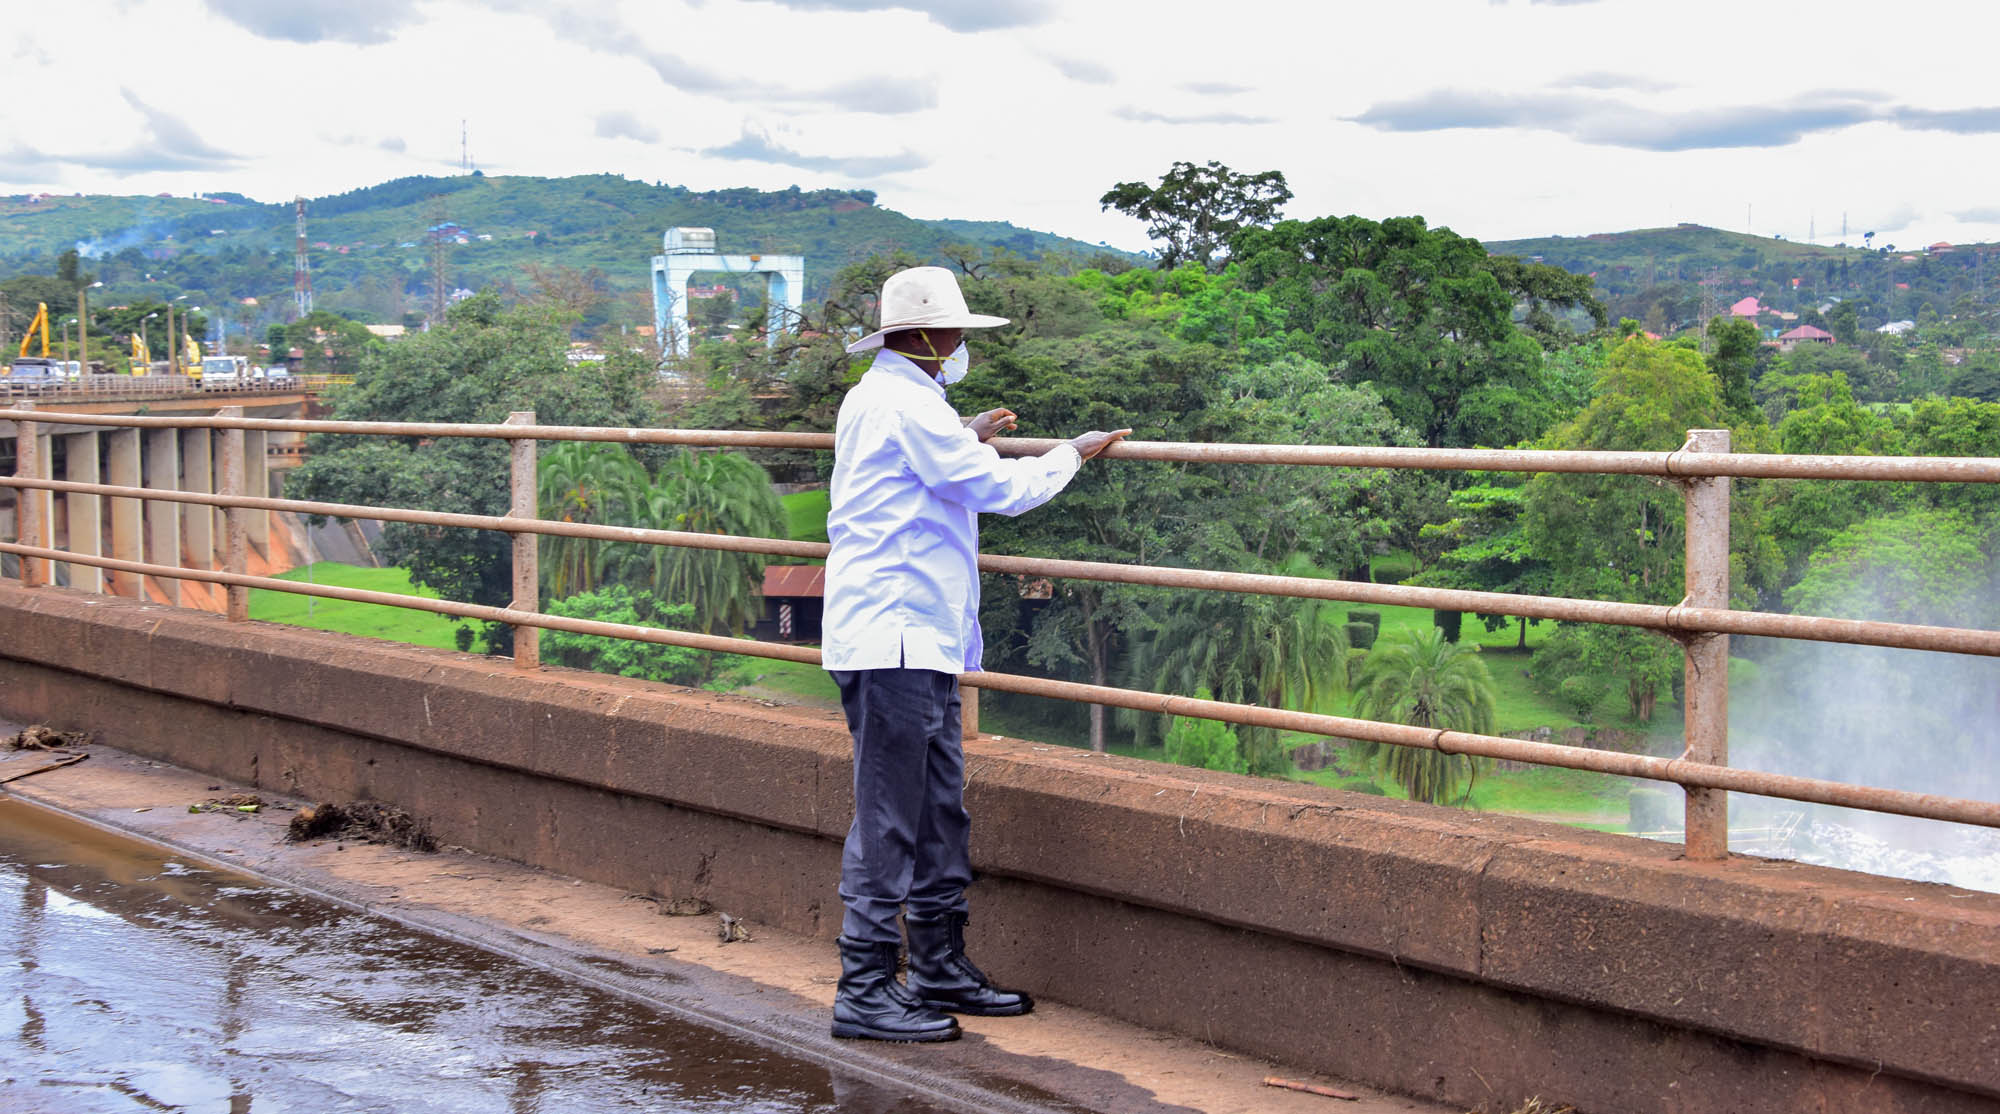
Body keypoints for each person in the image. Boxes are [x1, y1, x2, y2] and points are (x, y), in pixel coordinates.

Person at [822, 266, 1128, 1042]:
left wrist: (965, 435)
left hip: (912, 634)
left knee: (939, 806)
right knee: (892, 814)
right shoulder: (904, 405)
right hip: (895, 633)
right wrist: (1070, 454)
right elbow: (999, 492)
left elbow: (921, 469)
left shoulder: (890, 400)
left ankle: (937, 963)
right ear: (929, 338)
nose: (963, 346)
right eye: (957, 334)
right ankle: (864, 985)